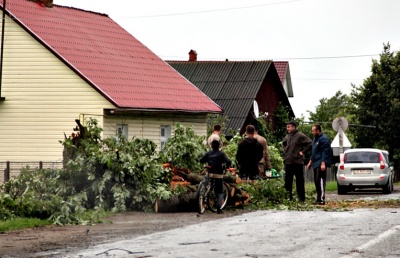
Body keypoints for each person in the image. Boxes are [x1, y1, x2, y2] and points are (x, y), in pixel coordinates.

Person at [282, 120, 312, 202]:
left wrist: (302, 151)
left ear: (294, 127)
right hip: (288, 161)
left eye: (289, 126)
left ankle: (301, 198)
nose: (287, 128)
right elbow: (283, 143)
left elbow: (309, 143)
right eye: (287, 126)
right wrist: (285, 151)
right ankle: (288, 198)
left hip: (297, 162)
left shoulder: (300, 135)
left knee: (299, 181)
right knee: (288, 181)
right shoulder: (288, 136)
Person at [200, 140, 231, 214]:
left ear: (211, 146)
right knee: (220, 191)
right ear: (219, 146)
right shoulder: (221, 154)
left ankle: (204, 193)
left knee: (207, 182)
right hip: (218, 175)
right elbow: (229, 161)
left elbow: (201, 160)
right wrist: (226, 166)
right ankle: (219, 208)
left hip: (209, 174)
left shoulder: (208, 153)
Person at [306, 124, 331, 205]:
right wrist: (310, 162)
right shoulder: (315, 140)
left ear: (318, 131)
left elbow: (325, 152)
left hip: (321, 162)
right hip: (315, 162)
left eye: (313, 131)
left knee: (320, 180)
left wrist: (323, 163)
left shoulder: (324, 139)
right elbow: (314, 152)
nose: (312, 132)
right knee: (316, 180)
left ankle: (322, 198)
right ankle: (318, 198)